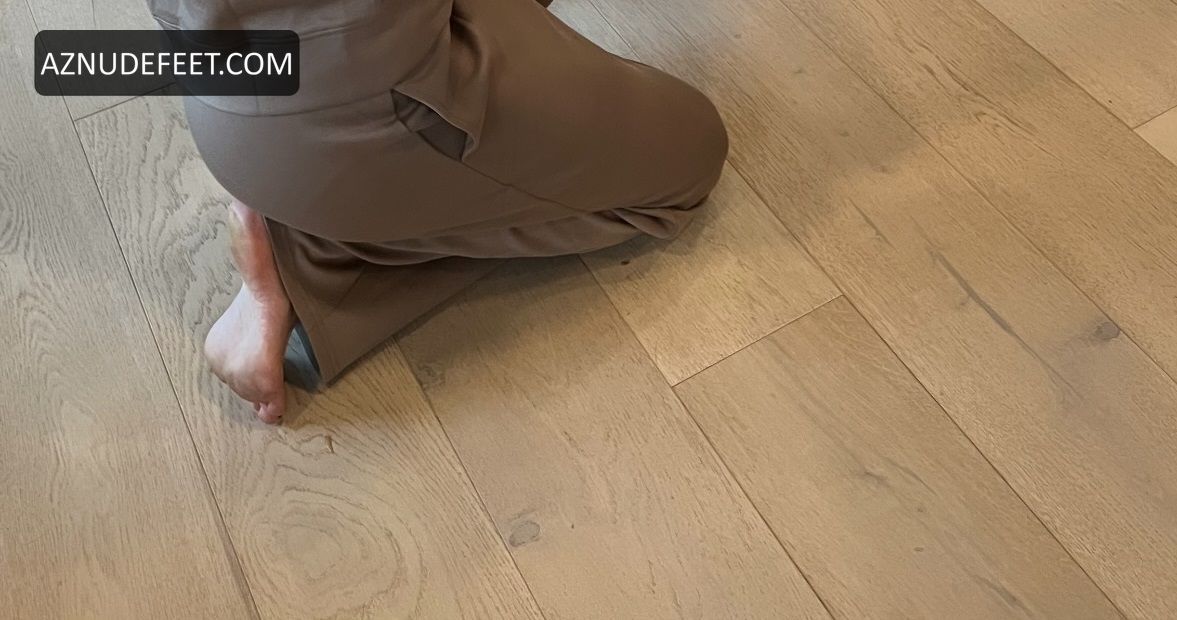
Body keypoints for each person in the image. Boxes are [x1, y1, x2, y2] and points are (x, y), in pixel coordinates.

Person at [151, 0, 729, 423]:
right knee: (692, 153)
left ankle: (297, 194)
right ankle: (307, 249)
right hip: (360, 115)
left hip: (235, 69)